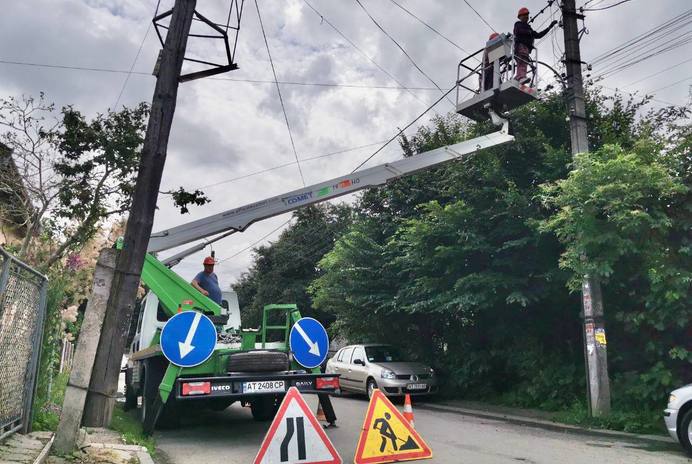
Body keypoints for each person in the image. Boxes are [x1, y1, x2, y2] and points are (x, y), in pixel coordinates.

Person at [514, 7, 558, 84]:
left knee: (523, 62)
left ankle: (518, 77)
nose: (526, 17)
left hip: (526, 47)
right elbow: (518, 31)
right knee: (522, 61)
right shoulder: (518, 24)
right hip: (521, 46)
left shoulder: (529, 28)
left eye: (527, 15)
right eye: (524, 15)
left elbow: (538, 35)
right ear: (520, 16)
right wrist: (529, 32)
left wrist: (549, 27)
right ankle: (520, 77)